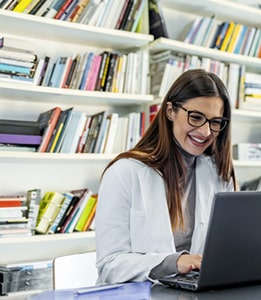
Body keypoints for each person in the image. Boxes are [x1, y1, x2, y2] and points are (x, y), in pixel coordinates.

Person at [95, 69, 237, 284]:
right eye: (196, 117)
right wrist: (174, 263)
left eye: (215, 122)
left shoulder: (218, 174)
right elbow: (110, 265)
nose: (206, 132)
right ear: (170, 111)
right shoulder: (124, 172)